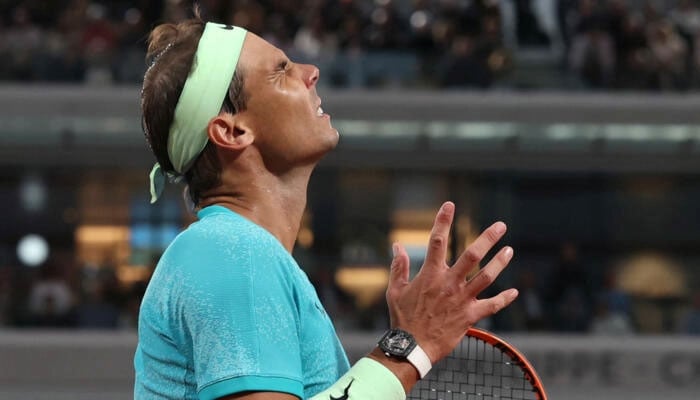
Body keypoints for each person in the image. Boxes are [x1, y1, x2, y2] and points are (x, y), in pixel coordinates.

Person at [134, 10, 518, 400]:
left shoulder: (236, 252)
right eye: (280, 71)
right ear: (232, 131)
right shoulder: (234, 252)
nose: (311, 70)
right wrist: (410, 347)